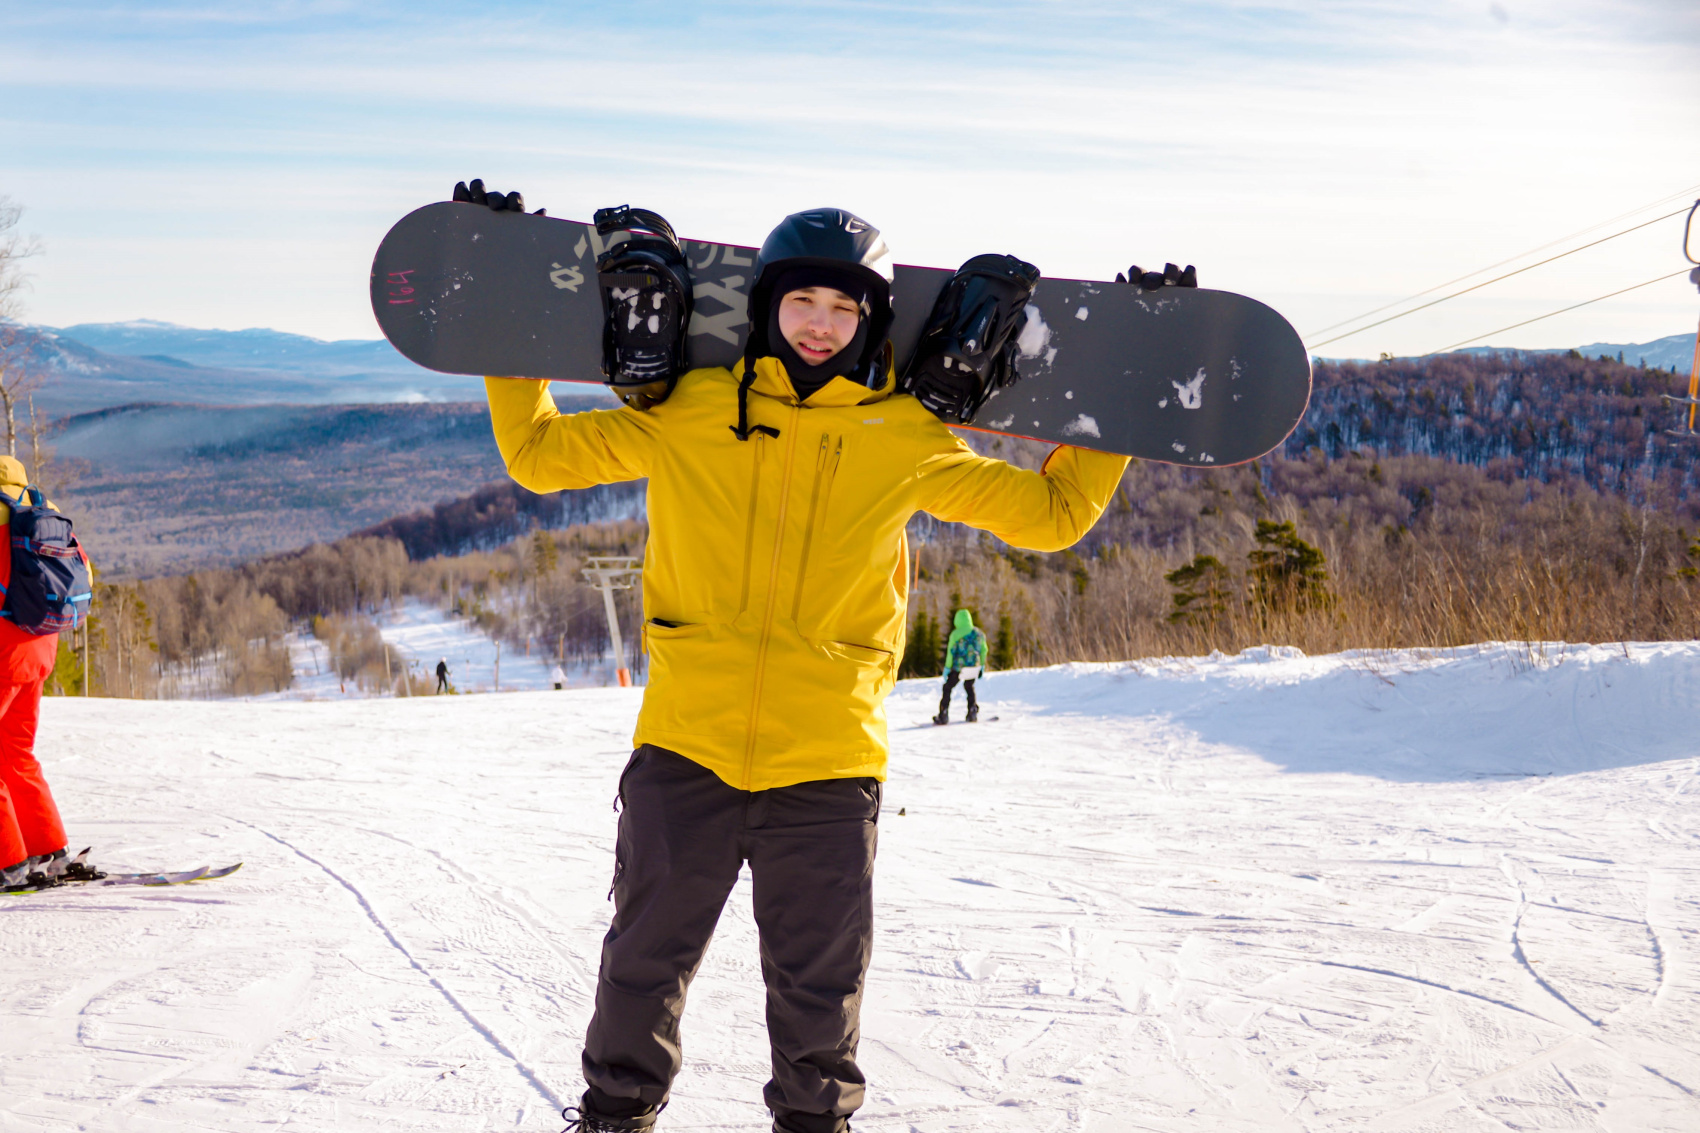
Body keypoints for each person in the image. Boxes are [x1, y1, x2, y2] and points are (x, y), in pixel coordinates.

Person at [459, 181, 1189, 1133]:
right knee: (641, 969)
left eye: (847, 307)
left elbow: (1052, 516)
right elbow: (539, 452)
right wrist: (511, 299)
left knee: (819, 999)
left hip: (830, 764)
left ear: (871, 320)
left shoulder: (905, 434)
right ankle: (613, 1119)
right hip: (685, 747)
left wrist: (1119, 385)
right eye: (803, 300)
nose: (820, 323)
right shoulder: (689, 406)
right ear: (767, 304)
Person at [0, 457, 81, 890]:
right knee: (16, 752)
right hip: (40, 650)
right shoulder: (41, 512)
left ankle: (8, 862)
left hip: (3, 655)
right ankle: (49, 849)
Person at [933, 609, 987, 725]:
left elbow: (950, 653)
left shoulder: (955, 634)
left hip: (959, 668)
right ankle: (972, 711)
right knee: (969, 686)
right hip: (973, 668)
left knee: (947, 688)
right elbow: (984, 650)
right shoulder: (979, 633)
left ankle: (943, 714)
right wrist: (982, 666)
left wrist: (947, 669)